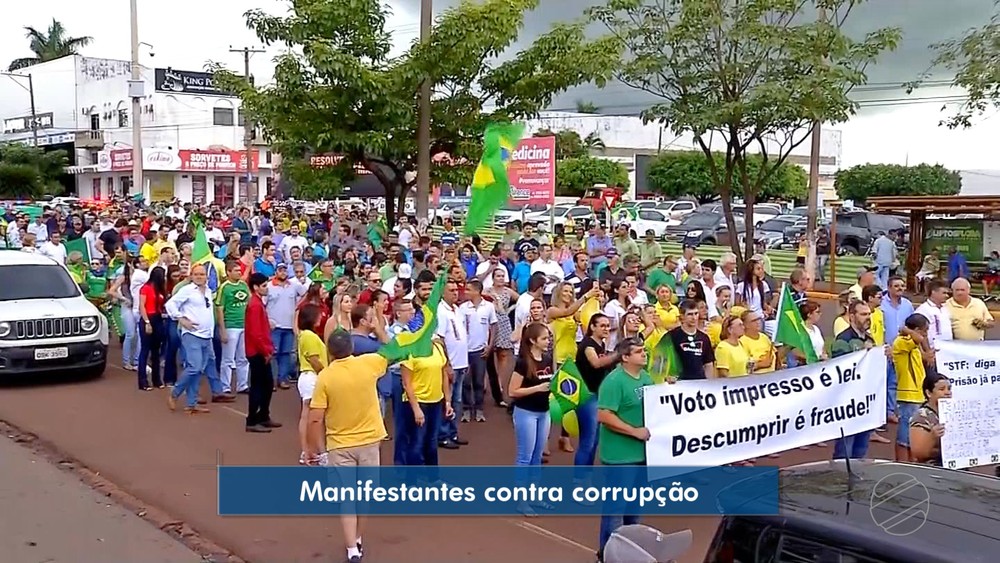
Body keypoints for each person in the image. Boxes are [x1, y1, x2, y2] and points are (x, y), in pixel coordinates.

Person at [305, 331, 390, 563]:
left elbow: (315, 419)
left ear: (329, 351)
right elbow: (391, 351)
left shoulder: (325, 377)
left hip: (340, 445)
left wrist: (315, 450)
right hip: (370, 441)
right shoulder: (369, 363)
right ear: (352, 346)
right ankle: (358, 538)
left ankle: (352, 548)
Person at [596, 337, 653, 562]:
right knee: (614, 510)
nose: (644, 354)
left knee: (635, 509)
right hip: (619, 457)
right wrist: (634, 431)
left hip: (641, 455)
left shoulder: (646, 377)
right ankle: (605, 555)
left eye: (644, 350)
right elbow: (604, 415)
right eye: (639, 352)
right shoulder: (614, 381)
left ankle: (628, 554)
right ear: (625, 357)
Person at [166, 264, 233, 413]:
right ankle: (175, 393)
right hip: (192, 335)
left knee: (199, 370)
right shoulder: (187, 290)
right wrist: (181, 319)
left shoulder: (208, 291)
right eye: (196, 274)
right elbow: (170, 305)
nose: (199, 277)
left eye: (202, 274)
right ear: (191, 275)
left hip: (206, 336)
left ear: (206, 277)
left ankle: (191, 404)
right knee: (194, 367)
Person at [508, 322, 555, 517]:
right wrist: (537, 388)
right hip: (526, 412)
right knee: (524, 457)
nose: (548, 341)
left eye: (548, 338)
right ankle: (521, 500)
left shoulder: (547, 358)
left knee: (537, 456)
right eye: (544, 338)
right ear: (533, 340)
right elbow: (512, 391)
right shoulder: (523, 362)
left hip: (544, 412)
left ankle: (534, 495)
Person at [830, 300, 877, 460]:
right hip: (848, 403)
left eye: (869, 314)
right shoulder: (843, 339)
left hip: (866, 402)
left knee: (861, 450)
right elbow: (840, 369)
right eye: (863, 314)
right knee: (845, 450)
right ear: (851, 316)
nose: (868, 317)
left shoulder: (870, 339)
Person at [400, 335, 453, 468]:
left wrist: (447, 401)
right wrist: (416, 409)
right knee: (416, 443)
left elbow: (444, 375)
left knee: (432, 441)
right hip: (417, 402)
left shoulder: (438, 348)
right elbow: (407, 383)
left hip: (436, 402)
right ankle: (412, 482)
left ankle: (432, 479)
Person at [892, 313, 933, 462]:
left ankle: (910, 461)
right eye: (924, 330)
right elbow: (919, 338)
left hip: (916, 393)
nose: (926, 334)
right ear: (916, 329)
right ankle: (902, 463)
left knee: (912, 433)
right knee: (905, 434)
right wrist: (909, 331)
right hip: (908, 394)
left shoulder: (911, 343)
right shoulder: (902, 341)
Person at [244, 273, 280, 432]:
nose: (267, 288)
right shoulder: (255, 305)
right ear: (256, 287)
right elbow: (255, 333)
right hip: (257, 351)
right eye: (264, 285)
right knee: (259, 386)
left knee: (266, 384)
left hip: (260, 349)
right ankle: (252, 420)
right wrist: (266, 351)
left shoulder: (257, 303)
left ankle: (263, 415)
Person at [460, 280, 498, 423]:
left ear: (477, 291)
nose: (465, 292)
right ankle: (466, 410)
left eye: (469, 290)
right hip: (465, 351)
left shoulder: (488, 307)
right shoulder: (463, 308)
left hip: (480, 350)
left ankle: (479, 409)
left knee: (479, 382)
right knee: (466, 382)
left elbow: (493, 326)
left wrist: (490, 346)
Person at [296, 303, 329, 455]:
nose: (320, 317)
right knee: (313, 417)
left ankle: (309, 451)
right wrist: (325, 374)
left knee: (309, 415)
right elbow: (314, 359)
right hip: (312, 377)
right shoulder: (309, 336)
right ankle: (313, 451)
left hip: (309, 377)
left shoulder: (307, 335)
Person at [216, 260, 251, 394]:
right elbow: (220, 308)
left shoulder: (243, 285)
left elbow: (250, 301)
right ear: (228, 272)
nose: (239, 272)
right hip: (231, 325)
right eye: (236, 270)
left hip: (244, 325)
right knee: (228, 358)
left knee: (243, 357)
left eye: (239, 270)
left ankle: (242, 384)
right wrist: (222, 329)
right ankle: (225, 386)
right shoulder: (225, 287)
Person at [909, 373, 951, 467]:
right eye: (942, 389)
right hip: (933, 472)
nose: (947, 392)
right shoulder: (921, 416)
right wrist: (932, 437)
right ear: (928, 393)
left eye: (949, 388)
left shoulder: (954, 413)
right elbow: (918, 454)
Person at [666, 300, 716, 379]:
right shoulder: (672, 336)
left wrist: (709, 384)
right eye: (690, 314)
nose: (694, 317)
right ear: (682, 316)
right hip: (679, 384)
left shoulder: (704, 338)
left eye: (696, 313)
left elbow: (708, 364)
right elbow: (661, 360)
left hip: (699, 383)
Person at [137, 266, 167, 390]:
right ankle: (143, 381)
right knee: (145, 350)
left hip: (158, 318)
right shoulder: (145, 288)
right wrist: (147, 322)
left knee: (156, 351)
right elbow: (142, 306)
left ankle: (157, 380)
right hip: (148, 318)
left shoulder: (160, 290)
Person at [946, 277, 994, 341]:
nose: (960, 293)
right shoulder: (945, 305)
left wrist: (984, 324)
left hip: (977, 345)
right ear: (952, 291)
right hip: (955, 346)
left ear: (968, 290)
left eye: (962, 290)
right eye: (957, 290)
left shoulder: (979, 303)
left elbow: (991, 322)